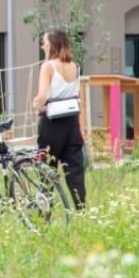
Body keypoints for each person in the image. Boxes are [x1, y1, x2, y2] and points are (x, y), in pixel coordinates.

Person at [33, 28, 87, 209]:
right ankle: (81, 210)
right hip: (72, 123)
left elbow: (42, 96)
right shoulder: (75, 66)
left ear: (52, 44)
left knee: (47, 171)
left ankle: (44, 214)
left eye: (44, 41)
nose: (42, 45)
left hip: (52, 125)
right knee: (75, 172)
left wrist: (37, 106)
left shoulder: (48, 66)